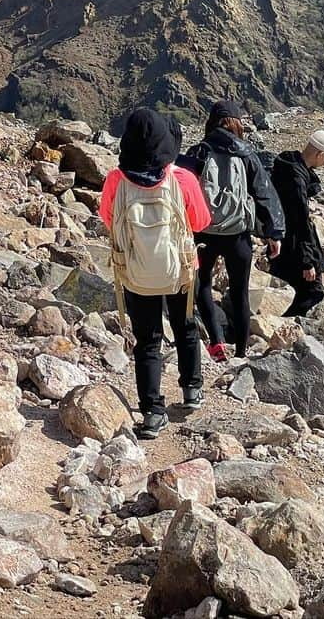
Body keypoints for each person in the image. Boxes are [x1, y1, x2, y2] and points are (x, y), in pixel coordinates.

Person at [98, 108, 211, 439]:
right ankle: (191, 390)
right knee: (186, 326)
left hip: (135, 273)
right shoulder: (182, 179)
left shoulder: (115, 181)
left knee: (147, 342)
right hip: (182, 271)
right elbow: (201, 221)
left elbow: (108, 219)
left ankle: (152, 413)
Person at [183, 99, 285, 362]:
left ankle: (216, 344)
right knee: (239, 292)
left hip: (203, 232)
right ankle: (240, 351)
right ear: (238, 124)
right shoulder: (246, 154)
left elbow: (183, 190)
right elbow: (265, 194)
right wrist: (274, 233)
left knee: (202, 284)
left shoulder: (199, 152)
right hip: (237, 234)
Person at [270, 129, 324, 316]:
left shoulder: (286, 165)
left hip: (280, 238)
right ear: (319, 154)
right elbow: (300, 221)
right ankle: (287, 325)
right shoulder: (296, 180)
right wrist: (308, 262)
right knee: (312, 291)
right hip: (293, 245)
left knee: (289, 286)